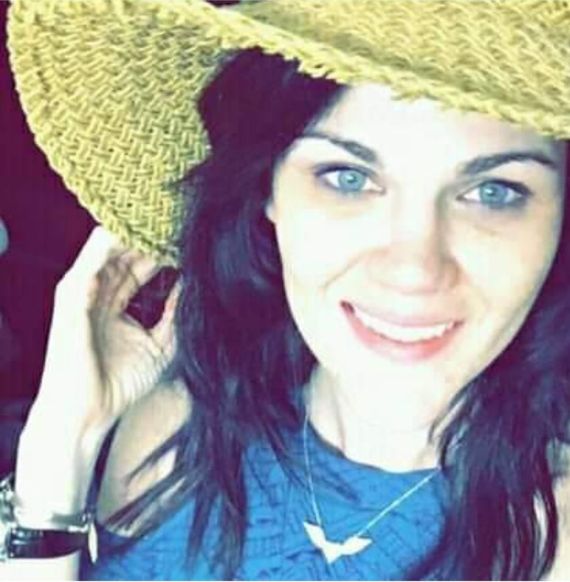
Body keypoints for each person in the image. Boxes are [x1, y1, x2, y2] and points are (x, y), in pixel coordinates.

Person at [2, 0, 570, 579]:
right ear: (267, 189)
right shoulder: (176, 436)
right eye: (347, 178)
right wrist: (61, 448)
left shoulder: (552, 544)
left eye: (495, 192)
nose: (414, 271)